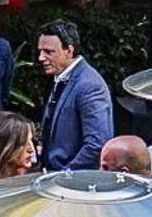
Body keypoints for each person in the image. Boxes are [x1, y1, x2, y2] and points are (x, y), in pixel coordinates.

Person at [38, 20, 112, 171]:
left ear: (69, 51)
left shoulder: (89, 85)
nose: (41, 57)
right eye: (40, 51)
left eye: (48, 52)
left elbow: (96, 144)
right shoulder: (62, 77)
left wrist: (65, 176)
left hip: (71, 182)